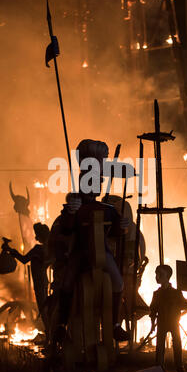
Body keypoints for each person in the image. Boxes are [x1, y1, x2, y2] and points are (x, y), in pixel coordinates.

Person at [54, 139, 130, 343]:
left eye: (98, 181)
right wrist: (71, 211)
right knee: (67, 282)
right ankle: (61, 324)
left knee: (118, 282)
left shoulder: (108, 209)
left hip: (102, 253)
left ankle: (114, 324)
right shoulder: (74, 206)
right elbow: (67, 228)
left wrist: (122, 225)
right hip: (79, 252)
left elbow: (115, 233)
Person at [150, 264, 187, 372]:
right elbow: (153, 310)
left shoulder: (176, 293)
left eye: (160, 274)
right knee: (160, 347)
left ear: (167, 276)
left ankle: (179, 368)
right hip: (161, 323)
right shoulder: (156, 294)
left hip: (174, 322)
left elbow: (183, 304)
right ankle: (159, 369)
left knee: (177, 345)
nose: (157, 276)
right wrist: (152, 324)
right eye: (157, 274)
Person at [6, 223, 50, 335]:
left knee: (43, 309)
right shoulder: (48, 249)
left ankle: (49, 334)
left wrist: (12, 251)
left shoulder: (37, 249)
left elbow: (24, 259)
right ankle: (49, 334)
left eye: (37, 234)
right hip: (44, 280)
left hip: (39, 282)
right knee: (45, 308)